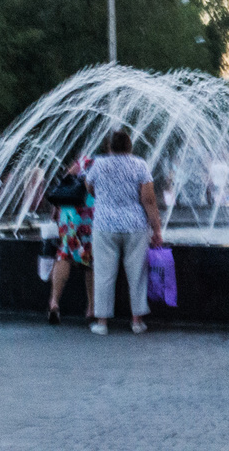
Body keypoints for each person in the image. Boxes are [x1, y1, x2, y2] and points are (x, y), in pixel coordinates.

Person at [85, 130, 163, 336]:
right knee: (137, 274)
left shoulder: (98, 164)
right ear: (130, 146)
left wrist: (105, 198)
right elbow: (148, 200)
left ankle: (102, 322)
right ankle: (137, 321)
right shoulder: (140, 165)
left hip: (104, 224)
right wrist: (156, 229)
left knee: (103, 273)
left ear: (110, 147)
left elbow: (89, 187)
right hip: (134, 226)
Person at [47, 159, 95, 326]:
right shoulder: (99, 162)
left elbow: (63, 186)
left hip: (67, 214)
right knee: (89, 260)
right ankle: (91, 308)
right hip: (88, 212)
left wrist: (55, 211)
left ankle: (54, 302)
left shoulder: (80, 162)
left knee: (64, 252)